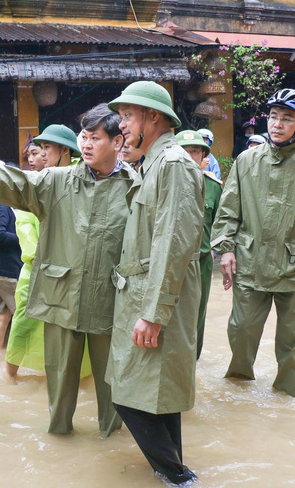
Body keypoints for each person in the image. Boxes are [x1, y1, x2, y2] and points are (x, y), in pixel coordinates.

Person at [0, 105, 131, 439]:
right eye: (84, 136)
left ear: (117, 142)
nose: (87, 144)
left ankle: (111, 439)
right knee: (60, 381)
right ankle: (59, 439)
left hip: (110, 301)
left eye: (96, 138)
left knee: (112, 382)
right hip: (62, 298)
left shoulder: (133, 187)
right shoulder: (57, 181)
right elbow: (15, 182)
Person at [212, 88, 295, 398]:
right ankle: (239, 391)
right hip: (251, 259)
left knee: (292, 340)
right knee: (241, 330)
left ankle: (285, 397)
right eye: (273, 117)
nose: (277, 124)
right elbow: (229, 210)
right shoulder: (246, 161)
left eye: (287, 119)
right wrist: (227, 249)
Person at [104, 82, 202, 486]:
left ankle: (177, 475)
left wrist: (153, 314)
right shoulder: (154, 164)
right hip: (145, 296)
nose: (122, 125)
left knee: (127, 395)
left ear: (154, 118)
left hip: (156, 300)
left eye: (128, 115)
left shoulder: (173, 164)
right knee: (156, 397)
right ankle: (175, 472)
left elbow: (173, 243)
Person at [3, 129, 90, 381]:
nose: (40, 154)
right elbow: (24, 223)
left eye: (47, 148)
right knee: (24, 319)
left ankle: (76, 377)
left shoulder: (83, 180)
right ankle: (10, 375)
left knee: (73, 323)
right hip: (37, 264)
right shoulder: (38, 181)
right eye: (39, 148)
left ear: (64, 150)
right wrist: (37, 254)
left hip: (72, 267)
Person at [176, 130, 223, 360]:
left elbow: (220, 224)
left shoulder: (213, 186)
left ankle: (192, 361)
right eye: (183, 151)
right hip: (170, 260)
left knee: (198, 313)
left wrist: (216, 250)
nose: (188, 156)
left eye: (194, 151)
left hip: (202, 262)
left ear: (204, 156)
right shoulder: (160, 182)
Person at [0, 198, 22, 353]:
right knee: (25, 318)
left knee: (0, 316)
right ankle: (15, 367)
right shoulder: (0, 204)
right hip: (6, 271)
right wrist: (23, 237)